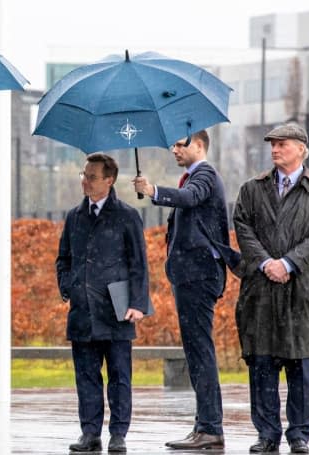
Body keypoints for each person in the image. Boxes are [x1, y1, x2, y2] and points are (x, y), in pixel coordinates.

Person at [233, 123, 309, 454]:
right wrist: (267, 263)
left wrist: (288, 263)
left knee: (301, 366)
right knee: (262, 365)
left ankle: (299, 434)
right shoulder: (253, 189)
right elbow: (242, 226)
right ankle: (267, 434)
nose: (275, 149)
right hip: (262, 290)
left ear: (301, 149)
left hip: (302, 290)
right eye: (273, 145)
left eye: (282, 144)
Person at [132, 130, 234, 450]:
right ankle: (203, 425)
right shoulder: (193, 177)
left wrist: (153, 190)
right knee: (196, 351)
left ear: (200, 145)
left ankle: (210, 428)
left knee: (200, 351)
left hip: (198, 276)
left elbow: (190, 198)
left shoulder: (204, 175)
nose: (174, 149)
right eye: (173, 144)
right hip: (190, 276)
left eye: (181, 144)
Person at [57, 153, 149, 453]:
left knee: (120, 376)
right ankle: (90, 433)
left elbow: (139, 264)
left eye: (92, 176)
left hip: (117, 310)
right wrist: (67, 286)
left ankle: (118, 434)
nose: (85, 180)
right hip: (83, 310)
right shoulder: (74, 216)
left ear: (109, 180)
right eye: (84, 175)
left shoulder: (127, 216)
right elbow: (64, 258)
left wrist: (138, 302)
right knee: (86, 376)